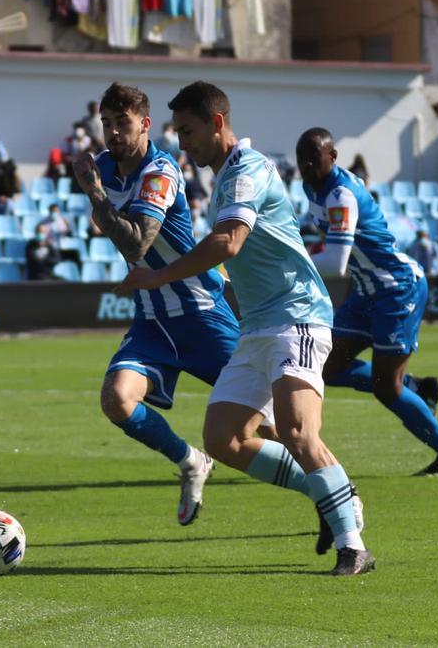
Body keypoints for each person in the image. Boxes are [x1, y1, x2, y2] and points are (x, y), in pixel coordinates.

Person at [117, 81, 372, 575]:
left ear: (216, 123)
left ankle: (353, 543)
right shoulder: (225, 177)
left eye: (187, 131)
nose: (182, 143)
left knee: (298, 431)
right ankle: (326, 495)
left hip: (298, 315)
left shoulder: (248, 170)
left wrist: (158, 274)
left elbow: (229, 242)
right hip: (259, 325)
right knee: (223, 438)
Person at [70, 82, 234, 527]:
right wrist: (98, 191)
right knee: (116, 400)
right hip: (153, 320)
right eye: (106, 124)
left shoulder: (160, 169)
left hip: (201, 313)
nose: (112, 133)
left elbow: (137, 242)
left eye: (121, 123)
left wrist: (94, 192)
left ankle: (333, 495)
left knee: (268, 426)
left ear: (144, 124)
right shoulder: (105, 166)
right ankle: (190, 461)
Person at [297, 127, 438, 480]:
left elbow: (337, 261)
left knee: (386, 388)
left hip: (395, 289)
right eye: (302, 161)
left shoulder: (341, 194)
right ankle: (418, 388)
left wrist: (290, 261)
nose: (307, 166)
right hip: (366, 290)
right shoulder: (312, 187)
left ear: (333, 157)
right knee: (326, 368)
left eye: (314, 159)